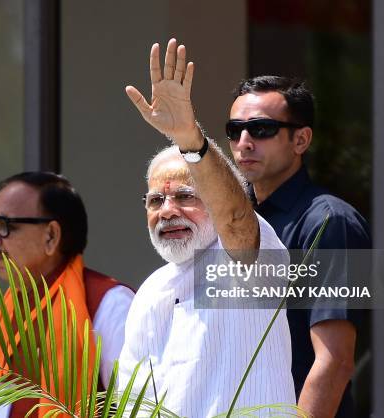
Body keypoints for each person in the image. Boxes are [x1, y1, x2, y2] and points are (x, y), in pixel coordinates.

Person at [118, 39, 296, 417]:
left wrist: (189, 140)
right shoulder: (150, 292)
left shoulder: (246, 263)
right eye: (155, 201)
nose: (167, 211)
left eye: (184, 196)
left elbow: (234, 217)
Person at [227, 75, 371, 417]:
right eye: (235, 130)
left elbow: (334, 361)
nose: (245, 141)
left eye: (262, 129)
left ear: (301, 140)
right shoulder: (234, 221)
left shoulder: (329, 222)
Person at [0, 171, 134, 418]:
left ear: (51, 236)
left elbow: (142, 408)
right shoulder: (8, 311)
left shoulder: (110, 304)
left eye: (4, 226)